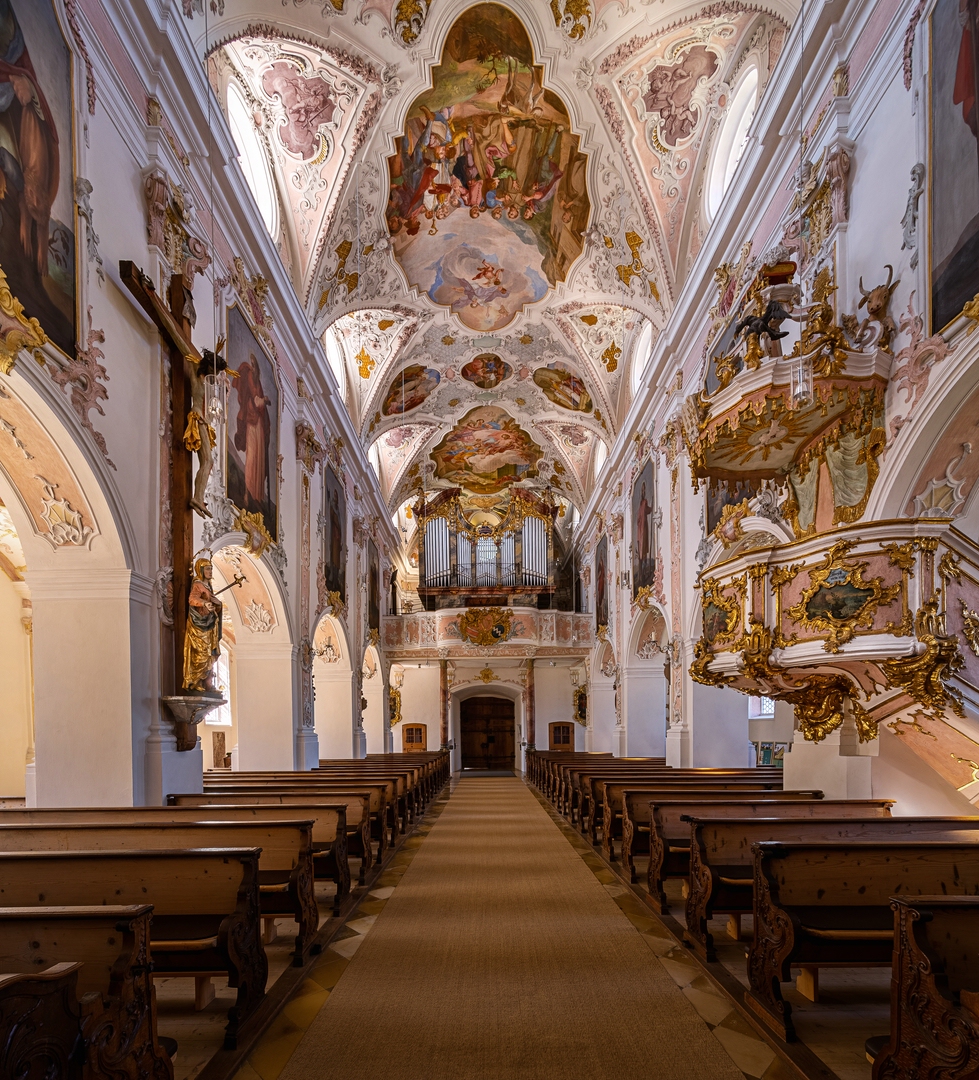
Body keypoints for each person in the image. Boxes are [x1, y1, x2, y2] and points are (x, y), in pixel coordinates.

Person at [234, 355, 272, 515]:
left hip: (259, 427)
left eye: (255, 366)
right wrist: (265, 400)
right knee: (252, 458)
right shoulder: (250, 377)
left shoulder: (258, 383)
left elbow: (260, 401)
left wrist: (264, 401)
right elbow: (256, 401)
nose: (253, 369)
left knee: (259, 460)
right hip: (252, 422)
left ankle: (257, 497)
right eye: (252, 365)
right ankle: (247, 494)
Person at [183, 556, 222, 692]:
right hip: (199, 624)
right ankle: (195, 682)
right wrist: (205, 602)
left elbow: (211, 600)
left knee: (210, 653)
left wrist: (215, 604)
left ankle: (207, 683)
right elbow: (192, 599)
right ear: (200, 570)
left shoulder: (207, 586)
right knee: (201, 653)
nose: (210, 572)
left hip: (209, 623)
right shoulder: (197, 584)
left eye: (211, 569)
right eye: (207, 569)